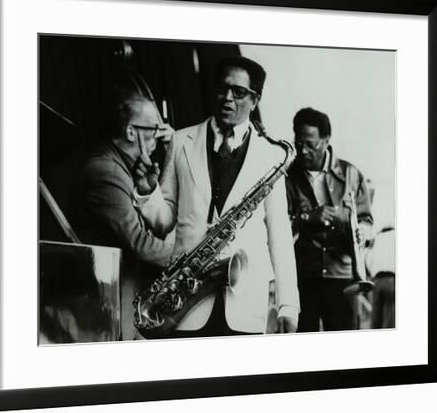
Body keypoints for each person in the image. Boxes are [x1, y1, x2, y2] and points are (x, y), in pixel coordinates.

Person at [134, 56, 300, 337]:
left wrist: (288, 307)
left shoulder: (271, 155)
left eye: (239, 92)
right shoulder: (181, 141)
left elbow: (280, 238)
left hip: (245, 303)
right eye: (223, 89)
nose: (227, 98)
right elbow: (164, 223)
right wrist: (148, 191)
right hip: (185, 303)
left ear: (255, 100)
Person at [69, 92, 174, 340]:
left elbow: (154, 230)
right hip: (107, 309)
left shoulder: (122, 166)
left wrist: (147, 189)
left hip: (124, 301)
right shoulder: (106, 172)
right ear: (130, 133)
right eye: (154, 130)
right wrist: (186, 255)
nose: (159, 138)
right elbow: (140, 243)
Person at [285, 107, 374, 332]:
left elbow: (367, 220)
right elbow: (278, 227)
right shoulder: (287, 176)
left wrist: (363, 231)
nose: (302, 151)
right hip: (304, 276)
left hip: (343, 277)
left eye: (310, 144)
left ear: (326, 141)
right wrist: (307, 217)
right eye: (298, 143)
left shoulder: (352, 174)